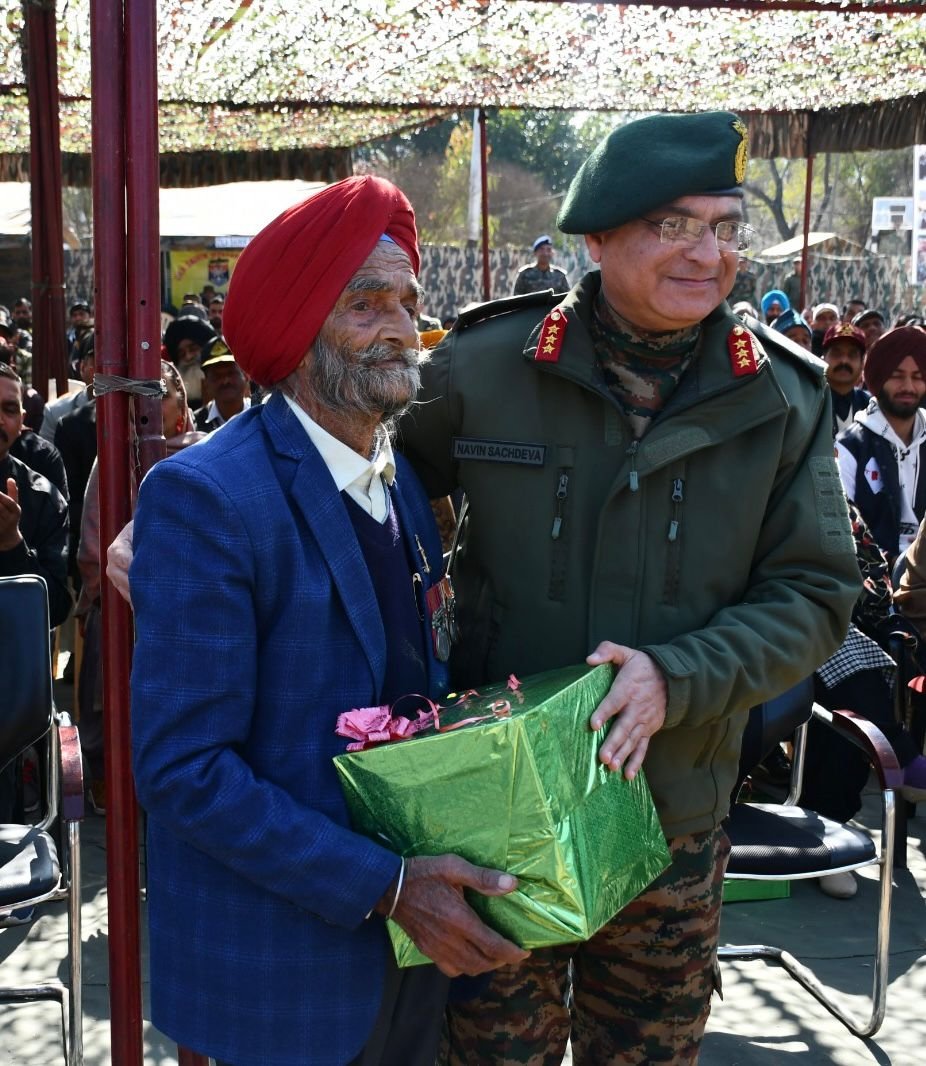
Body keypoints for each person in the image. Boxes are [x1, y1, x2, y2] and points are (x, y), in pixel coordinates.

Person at [399, 110, 859, 1065]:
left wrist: (675, 677)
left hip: (670, 816)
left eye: (726, 228)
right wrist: (203, 511)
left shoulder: (782, 397)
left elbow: (815, 594)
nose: (709, 254)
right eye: (675, 225)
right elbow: (349, 473)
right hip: (500, 817)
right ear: (598, 236)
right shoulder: (484, 367)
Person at [127, 176, 526, 1066]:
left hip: (411, 963)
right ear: (301, 327)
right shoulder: (208, 496)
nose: (400, 326)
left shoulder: (399, 483)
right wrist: (387, 887)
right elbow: (182, 768)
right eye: (366, 303)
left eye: (410, 302)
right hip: (286, 972)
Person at [835, 326, 926, 562]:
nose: (908, 386)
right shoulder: (849, 447)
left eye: (917, 377)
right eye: (897, 376)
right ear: (880, 378)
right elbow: (842, 534)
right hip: (875, 584)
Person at [820, 321, 869, 436]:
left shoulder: (871, 406)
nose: (844, 361)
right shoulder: (809, 404)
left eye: (852, 355)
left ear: (862, 363)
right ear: (823, 359)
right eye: (836, 354)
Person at [191, 338, 250, 432]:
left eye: (231, 373)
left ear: (246, 376)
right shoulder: (194, 424)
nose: (225, 381)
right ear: (205, 383)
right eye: (217, 376)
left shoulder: (263, 414)